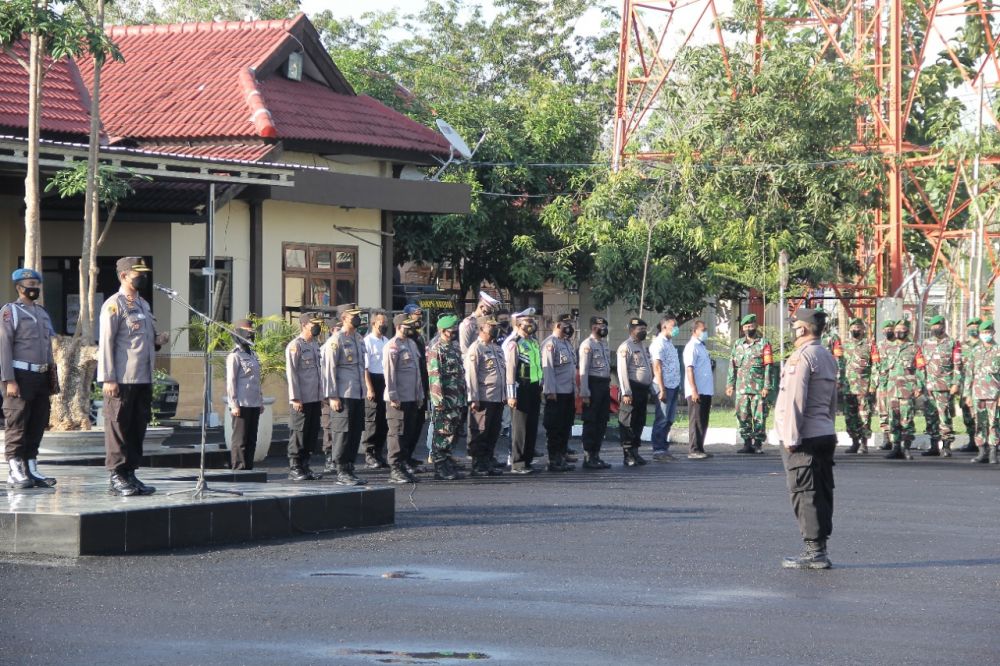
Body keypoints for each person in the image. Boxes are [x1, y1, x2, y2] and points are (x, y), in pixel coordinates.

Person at [98, 257, 170, 496]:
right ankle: (117, 474)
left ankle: (130, 472)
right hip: (122, 378)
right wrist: (108, 378)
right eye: (137, 273)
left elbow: (141, 340)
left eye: (143, 272)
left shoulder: (143, 304)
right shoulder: (114, 305)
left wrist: (157, 341)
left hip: (143, 377)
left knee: (137, 427)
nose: (142, 276)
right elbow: (107, 343)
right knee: (118, 426)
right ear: (123, 276)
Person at [775, 307, 838, 570]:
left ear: (802, 329)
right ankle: (819, 548)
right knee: (821, 491)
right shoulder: (827, 356)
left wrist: (791, 436)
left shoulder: (801, 357)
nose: (792, 330)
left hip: (804, 437)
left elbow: (794, 400)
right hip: (824, 432)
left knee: (805, 493)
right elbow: (833, 400)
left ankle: (815, 552)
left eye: (794, 325)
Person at [1, 268, 58, 489]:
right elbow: (4, 346)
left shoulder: (42, 313)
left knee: (37, 422)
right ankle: (15, 470)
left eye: (36, 283)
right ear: (18, 287)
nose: (33, 287)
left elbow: (50, 346)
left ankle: (31, 466)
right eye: (28, 284)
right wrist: (8, 379)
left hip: (42, 375)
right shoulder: (10, 311)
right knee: (17, 422)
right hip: (20, 375)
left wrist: (53, 377)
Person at [322, 304, 369, 485]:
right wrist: (332, 396)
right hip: (343, 393)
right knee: (343, 432)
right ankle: (341, 469)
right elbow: (329, 370)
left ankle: (349, 467)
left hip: (357, 393)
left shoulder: (358, 338)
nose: (358, 318)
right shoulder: (336, 340)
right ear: (343, 318)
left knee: (356, 431)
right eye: (354, 315)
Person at [384, 313, 425, 483]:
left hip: (412, 397)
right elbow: (390, 374)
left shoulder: (411, 344)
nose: (410, 328)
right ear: (399, 327)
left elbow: (417, 373)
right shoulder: (392, 346)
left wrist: (420, 395)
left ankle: (403, 465)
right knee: (397, 434)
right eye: (407, 325)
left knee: (408, 433)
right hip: (398, 399)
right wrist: (393, 396)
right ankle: (395, 468)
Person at [725, 313, 774, 454]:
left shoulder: (764, 344)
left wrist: (766, 386)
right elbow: (732, 365)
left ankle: (758, 443)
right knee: (743, 415)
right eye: (746, 326)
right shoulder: (738, 344)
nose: (748, 329)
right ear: (743, 328)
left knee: (759, 416)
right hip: (741, 388)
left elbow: (768, 366)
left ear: (756, 326)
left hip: (758, 388)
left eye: (751, 326)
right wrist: (730, 384)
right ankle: (747, 443)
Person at [285, 312, 325, 481]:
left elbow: (319, 372)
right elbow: (292, 373)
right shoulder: (295, 345)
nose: (317, 327)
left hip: (315, 397)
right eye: (313, 324)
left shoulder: (316, 345)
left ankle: (305, 465)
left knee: (311, 432)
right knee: (299, 432)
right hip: (301, 398)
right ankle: (295, 466)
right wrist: (295, 398)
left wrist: (322, 395)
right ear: (304, 325)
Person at [465, 315, 506, 476]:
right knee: (480, 431)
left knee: (493, 431)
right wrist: (473, 397)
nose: (494, 329)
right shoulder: (476, 348)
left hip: (497, 397)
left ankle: (488, 460)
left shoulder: (496, 348)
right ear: (482, 328)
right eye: (491, 326)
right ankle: (478, 464)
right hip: (483, 397)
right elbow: (471, 375)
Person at [427, 314, 466, 480]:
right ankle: (440, 466)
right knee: (442, 432)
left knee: (453, 432)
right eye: (451, 331)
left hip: (456, 398)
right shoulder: (436, 349)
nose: (454, 333)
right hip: (444, 400)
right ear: (442, 331)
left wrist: (463, 397)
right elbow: (434, 375)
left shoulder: (454, 347)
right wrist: (438, 401)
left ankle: (448, 461)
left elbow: (460, 374)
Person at [503, 308, 543, 474]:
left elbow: (538, 366)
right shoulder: (514, 343)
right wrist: (511, 395)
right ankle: (517, 463)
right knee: (520, 428)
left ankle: (527, 460)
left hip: (534, 388)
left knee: (532, 426)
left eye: (532, 322)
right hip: (521, 389)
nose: (531, 325)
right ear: (519, 325)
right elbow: (510, 371)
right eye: (528, 323)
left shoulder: (533, 342)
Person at [884, 318, 926, 461]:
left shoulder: (914, 348)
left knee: (907, 419)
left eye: (902, 329)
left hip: (907, 389)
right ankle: (896, 447)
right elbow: (883, 369)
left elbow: (920, 368)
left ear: (907, 330)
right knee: (893, 420)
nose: (899, 332)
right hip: (891, 390)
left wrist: (919, 385)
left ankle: (906, 448)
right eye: (897, 329)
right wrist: (882, 386)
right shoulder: (889, 348)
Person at [541, 314, 578, 472]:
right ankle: (554, 459)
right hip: (556, 392)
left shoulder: (567, 343)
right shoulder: (550, 343)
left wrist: (575, 388)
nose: (569, 327)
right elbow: (548, 369)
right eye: (566, 324)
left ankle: (562, 455)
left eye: (570, 323)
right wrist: (550, 391)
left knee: (565, 425)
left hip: (568, 391)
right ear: (557, 325)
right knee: (555, 427)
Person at [920, 315, 961, 458]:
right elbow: (921, 366)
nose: (936, 328)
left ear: (943, 325)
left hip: (945, 386)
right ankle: (933, 446)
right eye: (933, 326)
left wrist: (956, 383)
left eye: (938, 325)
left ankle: (946, 446)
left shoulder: (952, 343)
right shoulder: (926, 343)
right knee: (930, 416)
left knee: (945, 416)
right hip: (929, 386)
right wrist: (920, 384)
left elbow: (957, 365)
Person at [225, 318, 263, 470]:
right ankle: (239, 468)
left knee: (252, 438)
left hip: (253, 402)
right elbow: (231, 382)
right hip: (241, 403)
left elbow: (256, 380)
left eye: (252, 333)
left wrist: (260, 401)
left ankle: (249, 468)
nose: (251, 336)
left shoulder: (252, 355)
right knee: (240, 439)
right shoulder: (235, 356)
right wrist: (233, 404)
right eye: (248, 333)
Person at [617, 317, 653, 466]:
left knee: (639, 420)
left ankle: (636, 451)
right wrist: (626, 392)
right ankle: (627, 454)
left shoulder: (642, 346)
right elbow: (622, 371)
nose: (643, 332)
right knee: (628, 421)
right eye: (640, 329)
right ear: (632, 330)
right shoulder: (626, 347)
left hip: (643, 389)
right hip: (631, 389)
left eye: (645, 329)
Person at [963, 319, 1000, 464]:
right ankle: (982, 452)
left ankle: (993, 452)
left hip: (994, 394)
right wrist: (967, 394)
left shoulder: (998, 351)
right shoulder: (975, 351)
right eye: (983, 332)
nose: (986, 335)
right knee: (980, 423)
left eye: (988, 332)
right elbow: (969, 374)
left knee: (994, 423)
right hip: (977, 393)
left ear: (993, 333)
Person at [578, 316, 612, 469]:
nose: (603, 327)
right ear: (593, 327)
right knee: (591, 421)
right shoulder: (587, 344)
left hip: (604, 385)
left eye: (604, 325)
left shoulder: (604, 344)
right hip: (592, 384)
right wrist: (585, 393)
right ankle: (588, 456)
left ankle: (596, 454)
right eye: (600, 325)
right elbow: (583, 371)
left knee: (602, 421)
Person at [649, 316, 681, 462]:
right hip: (663, 386)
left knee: (669, 419)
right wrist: (662, 389)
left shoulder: (669, 343)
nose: (676, 329)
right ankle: (658, 449)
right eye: (673, 326)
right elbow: (657, 367)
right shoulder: (658, 343)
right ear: (664, 327)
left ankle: (664, 447)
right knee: (661, 418)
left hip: (673, 385)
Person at [403, 303, 431, 468]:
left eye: (420, 316)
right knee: (408, 424)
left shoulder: (418, 337)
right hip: (410, 387)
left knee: (419, 422)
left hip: (422, 384)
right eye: (415, 316)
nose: (419, 319)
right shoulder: (407, 339)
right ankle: (404, 457)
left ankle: (410, 455)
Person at [842, 318, 874, 455]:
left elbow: (876, 367)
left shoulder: (869, 345)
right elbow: (838, 364)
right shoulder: (844, 345)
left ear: (863, 330)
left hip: (863, 386)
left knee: (864, 415)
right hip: (848, 386)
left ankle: (864, 443)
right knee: (850, 416)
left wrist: (872, 385)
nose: (856, 330)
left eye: (859, 328)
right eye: (853, 328)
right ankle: (854, 442)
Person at [362, 310, 390, 469]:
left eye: (386, 322)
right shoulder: (368, 341)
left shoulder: (386, 341)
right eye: (382, 322)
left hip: (385, 380)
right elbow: (365, 368)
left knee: (383, 420)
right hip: (373, 380)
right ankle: (370, 454)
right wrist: (369, 388)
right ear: (374, 323)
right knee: (372, 420)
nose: (384, 325)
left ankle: (379, 452)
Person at [684, 320, 714, 460]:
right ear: (695, 331)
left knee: (703, 420)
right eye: (703, 329)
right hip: (697, 390)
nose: (705, 332)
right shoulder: (692, 347)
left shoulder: (702, 346)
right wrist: (693, 389)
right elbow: (689, 369)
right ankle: (694, 449)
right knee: (696, 420)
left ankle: (700, 447)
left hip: (706, 390)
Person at [872, 319, 896, 450]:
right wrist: (874, 383)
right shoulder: (879, 345)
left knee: (896, 411)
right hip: (882, 383)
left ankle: (897, 440)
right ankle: (886, 439)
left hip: (896, 384)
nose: (888, 331)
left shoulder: (899, 345)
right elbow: (875, 365)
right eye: (885, 329)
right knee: (883, 412)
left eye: (890, 329)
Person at [958, 317, 981, 453]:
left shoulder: (986, 346)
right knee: (967, 414)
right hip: (965, 385)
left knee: (982, 415)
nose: (973, 329)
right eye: (970, 327)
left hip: (982, 385)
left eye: (976, 326)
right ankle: (972, 441)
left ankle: (985, 443)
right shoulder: (962, 346)